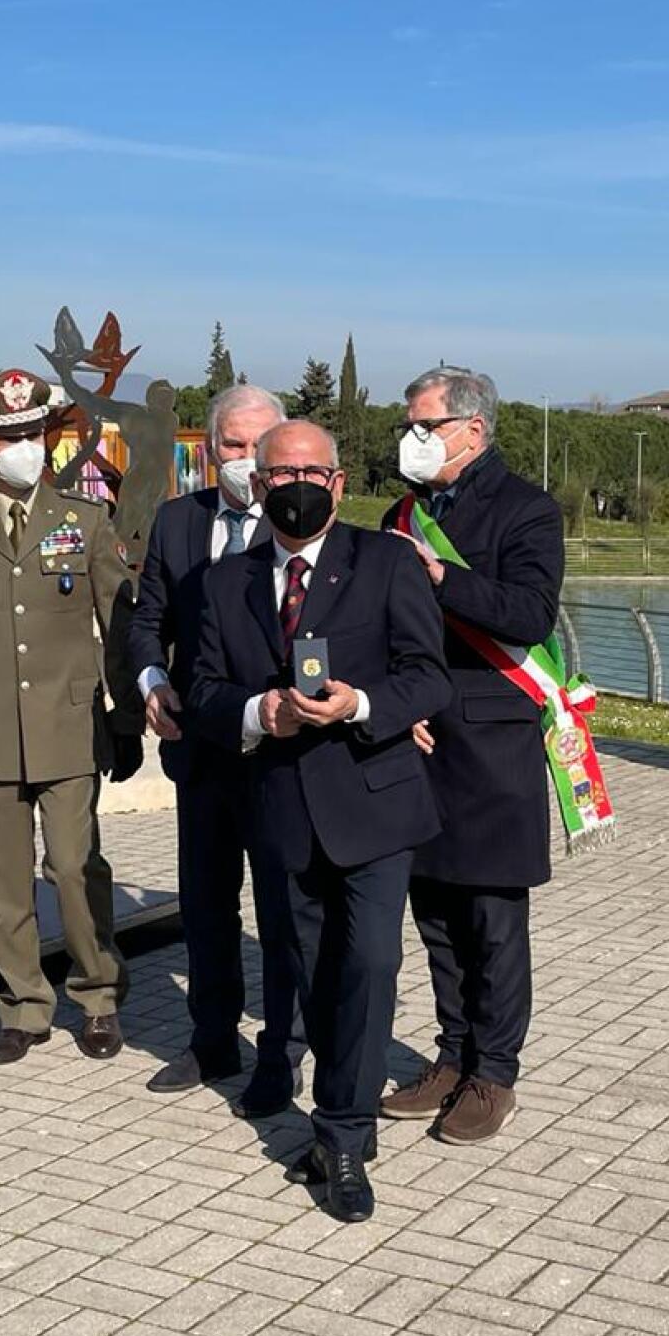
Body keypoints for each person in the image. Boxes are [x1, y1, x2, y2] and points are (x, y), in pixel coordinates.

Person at [190, 420, 451, 1222]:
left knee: (368, 966)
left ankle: (341, 1132)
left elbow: (427, 678)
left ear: (338, 483)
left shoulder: (386, 562)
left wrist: (361, 704)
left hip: (374, 803)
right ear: (255, 485)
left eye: (312, 471)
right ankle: (341, 1110)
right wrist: (260, 710)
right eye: (279, 472)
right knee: (307, 974)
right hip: (280, 810)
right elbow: (202, 691)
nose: (295, 484)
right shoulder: (221, 582)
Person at [0, 368, 144, 1066]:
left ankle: (98, 996)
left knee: (72, 867)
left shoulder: (85, 519)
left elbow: (119, 625)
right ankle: (22, 1007)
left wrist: (126, 721)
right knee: (0, 880)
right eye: (9, 435)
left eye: (34, 433)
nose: (26, 447)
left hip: (71, 727)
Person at [380, 367, 564, 1144]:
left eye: (425, 426)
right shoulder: (402, 511)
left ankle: (495, 1073)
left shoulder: (526, 508)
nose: (411, 439)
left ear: (472, 431)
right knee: (436, 918)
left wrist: (440, 577)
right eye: (410, 424)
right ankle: (451, 1057)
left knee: (492, 920)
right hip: (421, 741)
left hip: (491, 742)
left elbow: (527, 614)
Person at [129, 383, 303, 1117]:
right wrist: (150, 679)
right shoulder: (176, 522)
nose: (247, 460)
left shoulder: (300, 527)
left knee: (283, 906)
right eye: (234, 445)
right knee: (206, 903)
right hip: (199, 749)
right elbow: (145, 619)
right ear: (209, 449)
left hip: (280, 754)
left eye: (260, 447)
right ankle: (212, 1037)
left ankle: (284, 1049)